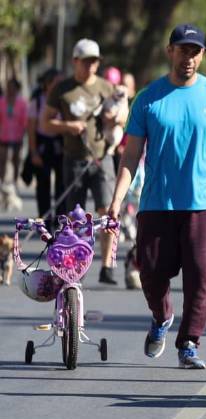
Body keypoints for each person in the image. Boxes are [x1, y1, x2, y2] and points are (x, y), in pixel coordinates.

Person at [107, 23, 206, 370]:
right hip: (157, 202)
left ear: (201, 55)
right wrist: (115, 203)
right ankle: (162, 316)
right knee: (151, 272)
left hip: (204, 203)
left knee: (202, 276)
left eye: (195, 51)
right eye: (182, 50)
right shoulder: (148, 98)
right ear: (169, 51)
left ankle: (188, 342)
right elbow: (131, 156)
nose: (188, 57)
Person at [41, 38, 123, 285]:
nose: (90, 66)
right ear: (75, 61)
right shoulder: (62, 89)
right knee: (74, 217)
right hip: (73, 159)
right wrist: (68, 126)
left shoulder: (107, 88)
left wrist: (114, 120)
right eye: (86, 61)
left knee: (107, 212)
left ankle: (107, 264)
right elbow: (45, 123)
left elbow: (122, 117)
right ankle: (74, 264)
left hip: (101, 158)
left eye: (94, 62)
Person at [26, 69, 64, 221]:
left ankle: (61, 219)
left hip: (60, 144)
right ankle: (44, 219)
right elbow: (31, 129)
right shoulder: (37, 101)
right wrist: (34, 152)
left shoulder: (64, 101)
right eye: (57, 83)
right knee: (43, 183)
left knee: (62, 183)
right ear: (48, 85)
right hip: (42, 144)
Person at [1, 77, 28, 197]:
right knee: (2, 159)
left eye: (12, 87)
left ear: (17, 89)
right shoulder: (1, 101)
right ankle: (2, 182)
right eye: (8, 87)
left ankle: (15, 182)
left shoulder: (21, 103)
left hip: (17, 135)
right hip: (3, 135)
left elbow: (24, 121)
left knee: (16, 160)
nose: (10, 89)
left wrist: (23, 134)